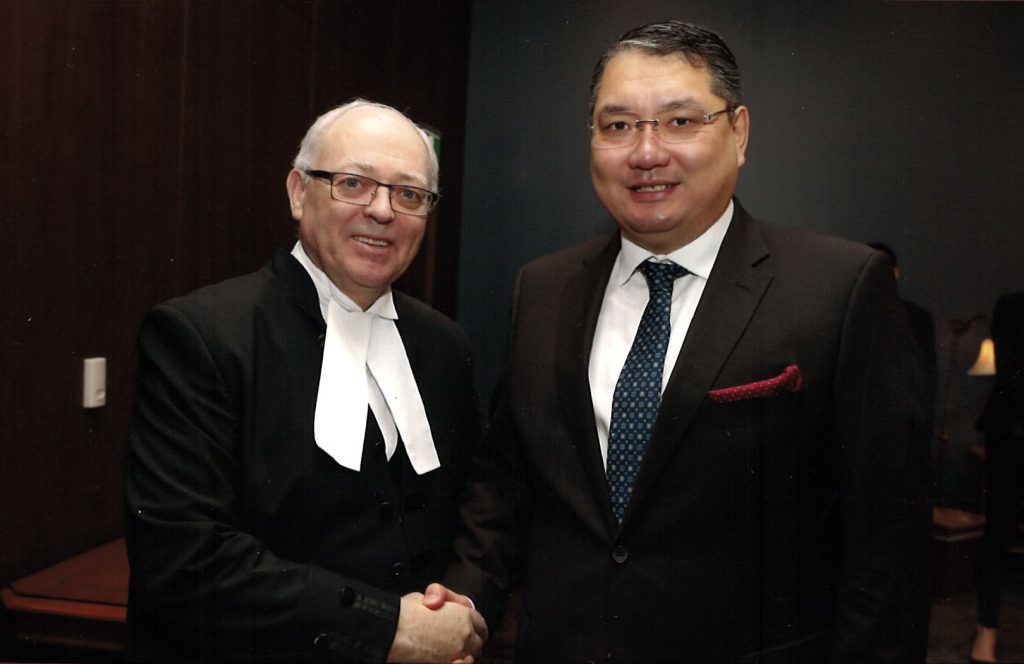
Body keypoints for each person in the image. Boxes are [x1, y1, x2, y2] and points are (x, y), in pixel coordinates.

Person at [435, 20, 932, 662]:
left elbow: (886, 544)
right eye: (618, 125)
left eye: (680, 121)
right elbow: (506, 481)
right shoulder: (543, 288)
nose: (646, 152)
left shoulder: (839, 288)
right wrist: (464, 605)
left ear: (739, 132)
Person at [125, 100, 486, 662]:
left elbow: (474, 504)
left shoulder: (445, 345)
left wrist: (459, 607)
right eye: (353, 183)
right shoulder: (202, 335)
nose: (382, 210)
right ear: (298, 192)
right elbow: (182, 559)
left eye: (409, 194)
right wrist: (388, 627)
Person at [971, 291, 1024, 664]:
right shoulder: (1012, 306)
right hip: (1013, 434)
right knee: (998, 532)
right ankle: (985, 628)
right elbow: (1009, 372)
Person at [867, 241, 938, 436]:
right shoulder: (915, 316)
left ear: (895, 273)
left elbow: (926, 376)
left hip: (899, 419)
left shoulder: (916, 317)